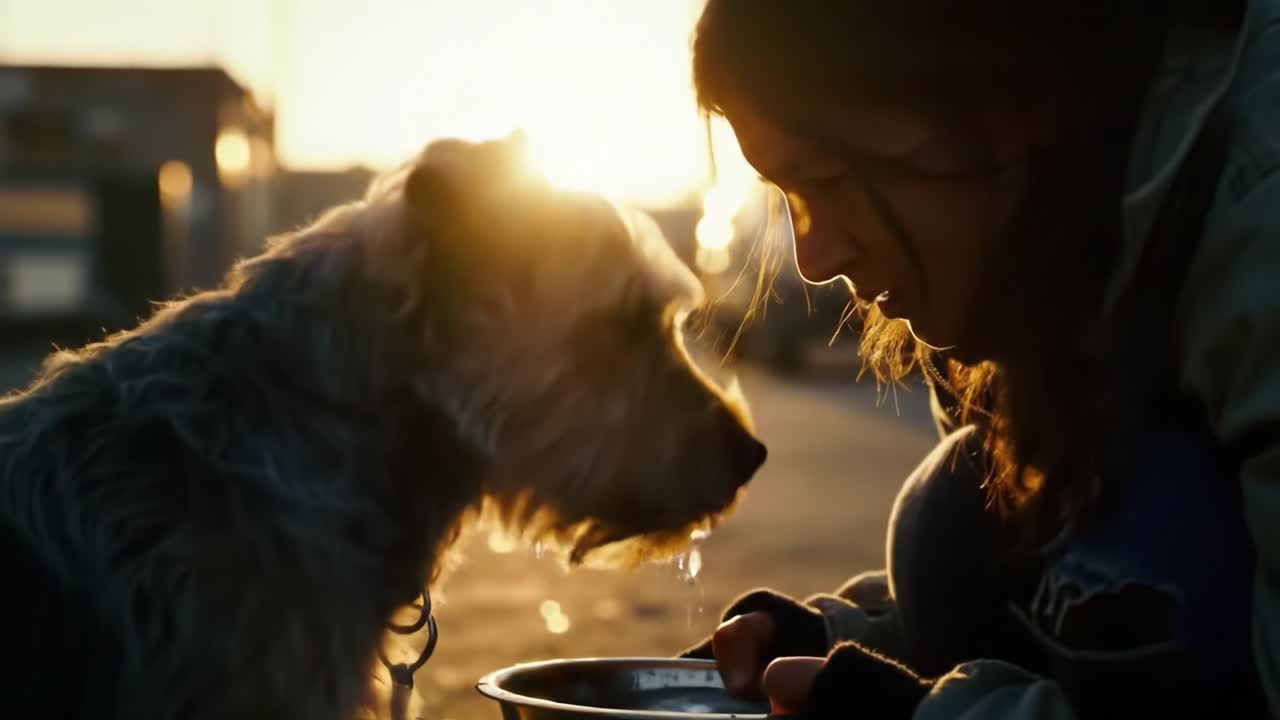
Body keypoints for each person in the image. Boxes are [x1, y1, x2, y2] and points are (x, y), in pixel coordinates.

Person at [681, 1, 1280, 717]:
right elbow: (1018, 601)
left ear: (1001, 98)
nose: (813, 261)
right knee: (956, 517)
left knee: (1144, 507)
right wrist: (839, 645)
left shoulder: (1259, 208)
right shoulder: (1012, 229)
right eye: (788, 198)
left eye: (830, 182)